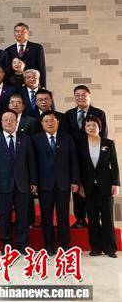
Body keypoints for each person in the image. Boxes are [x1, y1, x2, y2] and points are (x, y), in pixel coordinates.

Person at [0, 110, 37, 254]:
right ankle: (6, 244)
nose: (9, 122)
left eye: (12, 119)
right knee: (4, 215)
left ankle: (23, 243)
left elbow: (31, 162)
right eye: (6, 119)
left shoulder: (26, 139)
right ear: (1, 122)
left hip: (23, 183)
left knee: (23, 215)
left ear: (17, 122)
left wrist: (33, 181)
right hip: (3, 184)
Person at [32, 111, 80, 255]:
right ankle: (49, 245)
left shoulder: (67, 138)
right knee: (46, 216)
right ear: (42, 124)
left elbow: (74, 161)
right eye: (46, 121)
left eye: (52, 120)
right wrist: (34, 182)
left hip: (63, 183)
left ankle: (64, 244)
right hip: (44, 184)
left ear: (58, 122)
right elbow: (32, 163)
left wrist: (75, 181)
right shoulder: (35, 139)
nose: (49, 123)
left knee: (63, 216)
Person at [65, 84, 108, 228]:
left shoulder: (99, 113)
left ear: (89, 96)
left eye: (83, 95)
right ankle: (80, 218)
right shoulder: (69, 114)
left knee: (95, 187)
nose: (80, 97)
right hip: (76, 157)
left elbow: (103, 135)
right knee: (78, 187)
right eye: (77, 95)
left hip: (93, 157)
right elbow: (67, 136)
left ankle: (96, 218)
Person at [78, 116, 119, 258]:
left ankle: (110, 248)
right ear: (84, 128)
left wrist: (116, 184)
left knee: (107, 217)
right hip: (88, 186)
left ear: (99, 127)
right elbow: (79, 167)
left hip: (106, 185)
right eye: (88, 125)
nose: (91, 127)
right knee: (92, 217)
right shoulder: (81, 144)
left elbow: (114, 165)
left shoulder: (108, 143)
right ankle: (95, 247)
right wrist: (80, 185)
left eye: (94, 125)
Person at [4, 22, 47, 87]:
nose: (19, 33)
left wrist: (43, 87)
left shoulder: (37, 48)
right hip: (15, 85)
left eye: (22, 31)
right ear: (14, 34)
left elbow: (41, 68)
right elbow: (8, 71)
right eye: (17, 31)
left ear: (28, 33)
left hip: (32, 84)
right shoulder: (8, 50)